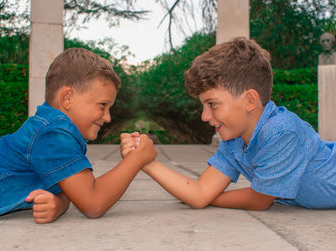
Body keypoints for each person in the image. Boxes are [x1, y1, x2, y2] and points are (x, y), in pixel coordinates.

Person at [121, 37, 336, 210]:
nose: (204, 116)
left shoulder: (281, 131)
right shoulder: (234, 139)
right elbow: (200, 193)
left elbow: (259, 200)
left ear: (250, 101)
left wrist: (212, 199)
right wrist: (146, 162)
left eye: (212, 104)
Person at [0, 48, 156, 223]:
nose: (107, 117)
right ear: (67, 98)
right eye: (102, 105)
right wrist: (137, 159)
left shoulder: (52, 128)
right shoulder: (53, 134)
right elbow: (93, 203)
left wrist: (59, 203)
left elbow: (74, 191)